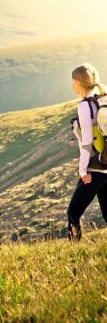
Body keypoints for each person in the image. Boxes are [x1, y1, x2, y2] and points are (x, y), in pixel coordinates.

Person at [67, 63, 107, 241]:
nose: (71, 84)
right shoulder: (103, 100)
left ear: (79, 82)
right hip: (106, 166)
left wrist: (83, 171)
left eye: (73, 80)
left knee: (73, 213)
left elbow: (87, 142)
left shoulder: (85, 106)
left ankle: (75, 252)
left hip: (95, 169)